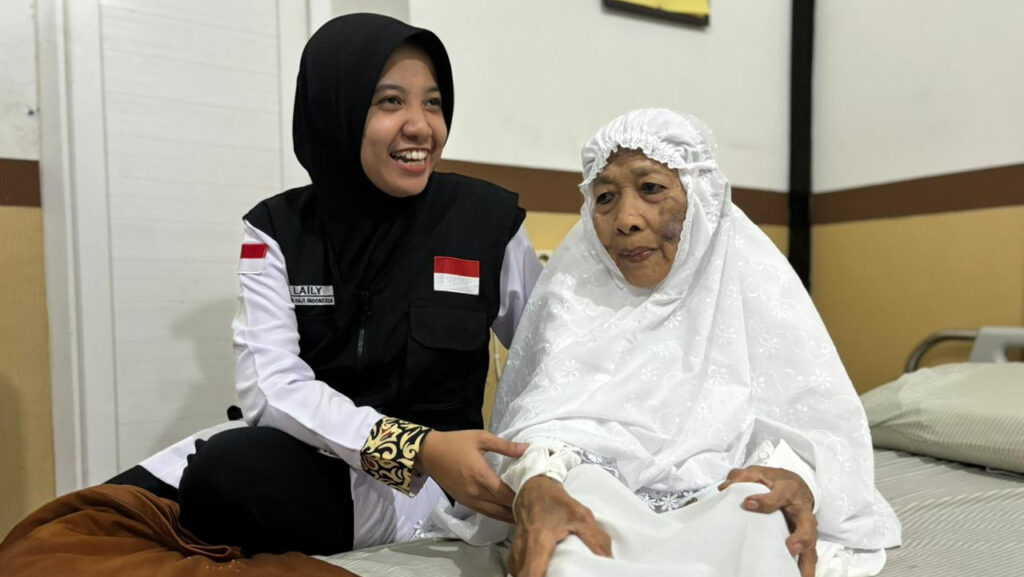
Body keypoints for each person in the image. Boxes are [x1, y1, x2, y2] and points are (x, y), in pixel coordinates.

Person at [108, 13, 544, 555]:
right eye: (390, 102)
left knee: (226, 479)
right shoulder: (275, 230)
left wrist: (523, 459)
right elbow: (272, 387)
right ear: (334, 110)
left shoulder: (486, 222)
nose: (421, 127)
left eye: (433, 102)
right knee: (184, 484)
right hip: (318, 462)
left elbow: (549, 354)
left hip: (437, 491)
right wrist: (412, 447)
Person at [431, 109, 901, 577]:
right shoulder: (576, 296)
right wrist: (538, 481)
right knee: (571, 526)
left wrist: (797, 478)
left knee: (756, 512)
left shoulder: (755, 285)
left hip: (728, 496)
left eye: (652, 188)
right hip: (599, 497)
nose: (626, 219)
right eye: (605, 197)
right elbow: (542, 423)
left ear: (701, 199)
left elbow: (816, 427)